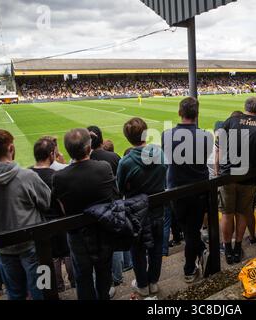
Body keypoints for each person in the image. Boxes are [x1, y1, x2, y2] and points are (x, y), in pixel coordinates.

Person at [0, 129, 50, 300]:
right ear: (10, 148)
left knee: (15, 292)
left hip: (3, 246)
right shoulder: (26, 176)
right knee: (43, 287)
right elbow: (46, 202)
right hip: (32, 245)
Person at [52, 128, 117, 300]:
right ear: (89, 149)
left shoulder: (60, 177)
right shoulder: (104, 168)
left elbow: (59, 209)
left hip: (77, 233)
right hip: (102, 230)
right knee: (103, 270)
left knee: (83, 275)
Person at [214, 97, 256, 264]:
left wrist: (218, 172)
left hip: (227, 176)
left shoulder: (230, 121)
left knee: (227, 214)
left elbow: (218, 150)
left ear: (245, 108)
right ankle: (238, 247)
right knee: (242, 213)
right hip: (249, 177)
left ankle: (227, 249)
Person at [162, 97, 212, 282]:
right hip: (199, 189)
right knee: (191, 230)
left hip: (177, 190)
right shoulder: (206, 136)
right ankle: (200, 250)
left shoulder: (167, 135)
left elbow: (168, 159)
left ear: (179, 113)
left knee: (189, 231)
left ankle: (189, 269)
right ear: (197, 114)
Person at [117, 118, 166, 297]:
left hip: (136, 214)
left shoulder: (126, 162)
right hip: (157, 209)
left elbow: (120, 188)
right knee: (156, 247)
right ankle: (153, 282)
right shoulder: (159, 153)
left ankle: (143, 284)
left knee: (137, 251)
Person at [30, 137, 75, 292]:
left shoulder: (27, 175)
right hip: (59, 221)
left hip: (38, 224)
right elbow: (63, 203)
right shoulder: (56, 175)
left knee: (49, 257)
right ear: (51, 154)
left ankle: (57, 288)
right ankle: (73, 284)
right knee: (66, 253)